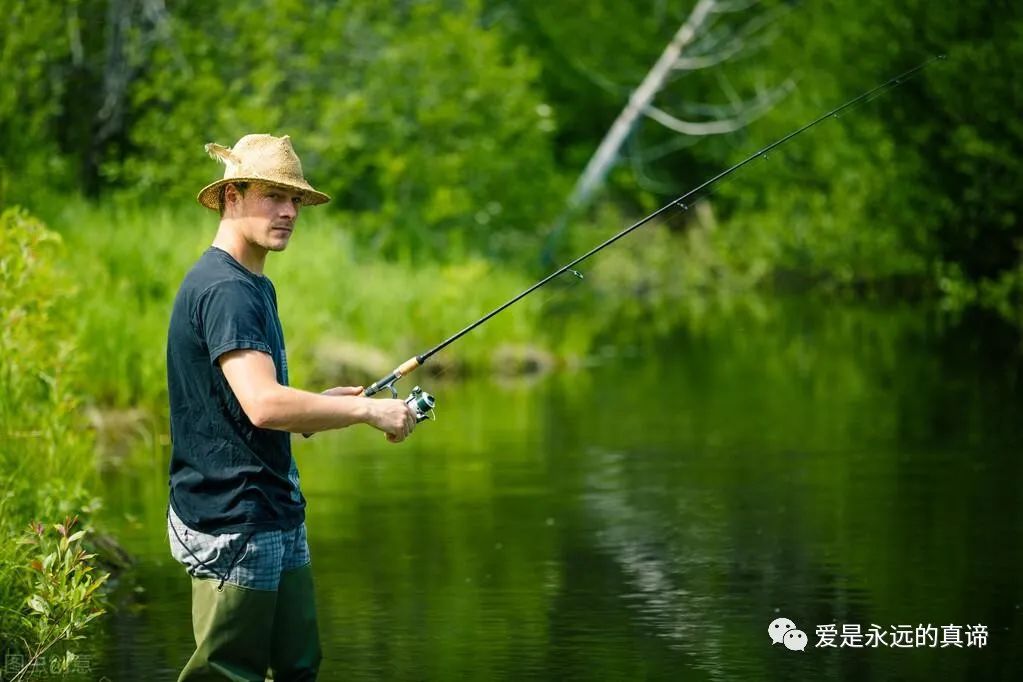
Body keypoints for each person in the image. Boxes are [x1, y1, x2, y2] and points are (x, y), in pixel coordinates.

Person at [165, 133, 417, 681]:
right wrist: (369, 413)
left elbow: (252, 404)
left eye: (295, 200)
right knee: (228, 673)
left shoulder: (256, 284)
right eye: (272, 196)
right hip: (235, 519)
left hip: (275, 509)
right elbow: (262, 405)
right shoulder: (225, 289)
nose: (288, 211)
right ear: (232, 196)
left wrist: (321, 407)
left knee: (298, 667)